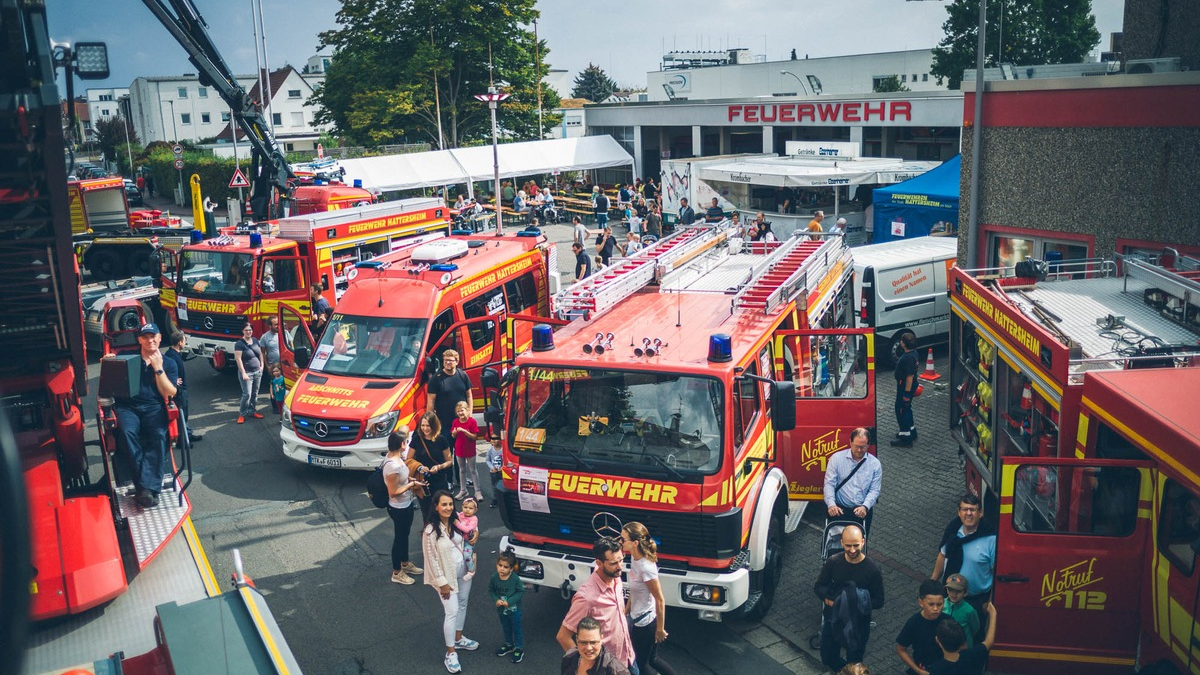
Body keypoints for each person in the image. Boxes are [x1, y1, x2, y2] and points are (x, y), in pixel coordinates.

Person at [113, 323, 178, 508]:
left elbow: (169, 393)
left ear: (159, 338)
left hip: (154, 406)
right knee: (126, 433)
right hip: (128, 406)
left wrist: (158, 368)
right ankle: (148, 488)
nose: (150, 340)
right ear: (140, 339)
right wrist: (108, 361)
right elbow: (111, 377)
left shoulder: (169, 362)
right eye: (146, 337)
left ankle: (145, 490)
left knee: (158, 435)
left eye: (153, 336)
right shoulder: (125, 357)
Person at [557, 538, 636, 675]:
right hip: (606, 669)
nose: (619, 567)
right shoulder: (586, 598)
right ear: (599, 563)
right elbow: (563, 636)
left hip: (628, 658)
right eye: (613, 563)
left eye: (621, 560)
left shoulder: (615, 578)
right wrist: (587, 664)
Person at [423, 490, 480, 674]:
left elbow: (470, 529)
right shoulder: (431, 530)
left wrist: (476, 533)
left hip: (462, 572)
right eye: (444, 504)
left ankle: (458, 638)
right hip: (446, 579)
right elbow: (430, 559)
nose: (448, 508)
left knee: (462, 604)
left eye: (450, 504)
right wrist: (441, 583)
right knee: (452, 611)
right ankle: (450, 653)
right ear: (436, 507)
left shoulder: (457, 522)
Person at [814, 525, 885, 672]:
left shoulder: (872, 569)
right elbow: (819, 586)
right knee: (827, 656)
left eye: (856, 545)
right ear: (841, 543)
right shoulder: (833, 562)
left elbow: (879, 600)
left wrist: (857, 602)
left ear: (863, 542)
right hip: (834, 618)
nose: (852, 550)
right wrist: (830, 601)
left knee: (854, 661)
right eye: (848, 545)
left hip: (858, 624)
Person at [931, 494, 996, 633]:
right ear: (958, 512)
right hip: (950, 596)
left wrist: (989, 602)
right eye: (964, 509)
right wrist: (932, 582)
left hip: (976, 600)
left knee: (974, 634)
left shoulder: (991, 539)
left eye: (973, 510)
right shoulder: (953, 530)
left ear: (980, 513)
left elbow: (996, 572)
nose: (968, 513)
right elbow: (943, 555)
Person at [621, 522, 676, 675]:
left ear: (635, 543)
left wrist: (660, 629)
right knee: (651, 659)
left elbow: (660, 599)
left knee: (641, 664)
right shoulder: (634, 559)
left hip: (646, 624)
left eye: (623, 539)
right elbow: (634, 590)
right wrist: (625, 612)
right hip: (636, 618)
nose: (620, 542)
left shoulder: (646, 568)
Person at [384, 428, 425, 585]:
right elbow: (393, 492)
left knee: (404, 535)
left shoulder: (397, 458)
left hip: (406, 504)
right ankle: (396, 572)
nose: (407, 444)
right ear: (402, 444)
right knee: (399, 538)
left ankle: (405, 563)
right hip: (398, 507)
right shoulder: (392, 466)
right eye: (406, 442)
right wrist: (412, 484)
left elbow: (403, 476)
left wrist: (412, 480)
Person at [823, 428, 882, 534]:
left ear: (868, 445)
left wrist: (865, 506)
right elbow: (829, 484)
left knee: (859, 546)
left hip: (861, 512)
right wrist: (831, 505)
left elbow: (874, 490)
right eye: (856, 446)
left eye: (863, 447)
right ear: (850, 442)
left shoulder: (875, 464)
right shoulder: (836, 459)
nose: (859, 450)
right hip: (839, 510)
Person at [895, 579, 951, 675]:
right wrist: (918, 670)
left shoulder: (948, 621)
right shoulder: (913, 623)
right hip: (923, 669)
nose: (935, 609)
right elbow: (901, 649)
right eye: (931, 604)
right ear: (921, 602)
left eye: (939, 604)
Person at [928, 604, 997, 675]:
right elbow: (989, 641)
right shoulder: (973, 654)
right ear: (962, 642)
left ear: (937, 640)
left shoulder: (936, 669)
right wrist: (993, 614)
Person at [428, 349, 472, 451]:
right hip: (444, 423)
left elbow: (469, 396)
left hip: (461, 421)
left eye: (451, 360)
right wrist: (430, 421)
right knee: (446, 452)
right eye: (445, 360)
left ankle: (459, 468)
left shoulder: (463, 375)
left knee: (462, 452)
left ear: (456, 362)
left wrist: (469, 415)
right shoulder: (436, 378)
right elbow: (431, 401)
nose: (447, 362)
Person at [412, 411, 454, 513]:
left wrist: (438, 467)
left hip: (439, 481)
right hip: (423, 482)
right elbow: (409, 459)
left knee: (442, 511)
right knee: (426, 512)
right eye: (423, 425)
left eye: (428, 426)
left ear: (434, 426)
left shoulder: (441, 440)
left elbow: (449, 461)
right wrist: (419, 467)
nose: (425, 428)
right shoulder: (417, 439)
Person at [490, 548, 526, 664]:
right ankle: (509, 644)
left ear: (511, 569)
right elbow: (492, 590)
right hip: (501, 610)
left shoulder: (514, 579)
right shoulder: (494, 578)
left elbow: (520, 591)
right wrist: (496, 599)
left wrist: (509, 601)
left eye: (505, 567)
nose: (502, 569)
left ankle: (519, 648)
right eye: (500, 565)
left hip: (514, 610)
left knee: (516, 628)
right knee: (506, 626)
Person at [164, 331, 201, 443]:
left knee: (185, 414)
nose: (185, 343)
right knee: (181, 415)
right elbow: (164, 370)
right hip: (178, 391)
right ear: (180, 342)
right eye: (184, 341)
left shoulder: (175, 354)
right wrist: (172, 380)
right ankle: (182, 440)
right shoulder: (171, 356)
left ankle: (187, 434)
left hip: (182, 390)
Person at [561, 617, 630, 675]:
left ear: (601, 639)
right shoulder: (569, 658)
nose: (588, 648)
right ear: (577, 640)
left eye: (593, 642)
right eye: (583, 642)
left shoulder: (615, 670)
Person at [891, 333, 920, 446]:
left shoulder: (907, 358)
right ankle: (911, 431)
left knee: (901, 409)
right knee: (907, 409)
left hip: (905, 387)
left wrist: (906, 394)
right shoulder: (914, 354)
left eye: (902, 341)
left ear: (904, 344)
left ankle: (905, 437)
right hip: (910, 386)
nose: (900, 343)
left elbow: (909, 377)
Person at [450, 401, 482, 501]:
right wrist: (454, 433)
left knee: (473, 469)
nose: (460, 413)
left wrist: (464, 431)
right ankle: (463, 490)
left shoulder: (472, 422)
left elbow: (474, 436)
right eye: (458, 411)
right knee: (462, 469)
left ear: (467, 411)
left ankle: (477, 491)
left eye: (462, 411)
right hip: (459, 448)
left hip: (470, 449)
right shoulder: (455, 422)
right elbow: (453, 435)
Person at [233, 322, 264, 424]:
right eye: (246, 330)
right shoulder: (239, 344)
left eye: (250, 330)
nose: (248, 332)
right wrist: (243, 373)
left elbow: (260, 354)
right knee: (247, 394)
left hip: (257, 371)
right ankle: (242, 414)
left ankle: (252, 411)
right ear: (242, 331)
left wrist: (262, 366)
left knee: (255, 394)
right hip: (247, 373)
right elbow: (238, 359)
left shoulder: (255, 340)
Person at [941, 574, 980, 649]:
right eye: (950, 590)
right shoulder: (941, 604)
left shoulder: (969, 610)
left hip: (963, 646)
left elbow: (975, 628)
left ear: (965, 593)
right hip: (945, 645)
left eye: (958, 591)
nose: (953, 594)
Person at [455, 497, 479, 580]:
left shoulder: (474, 519)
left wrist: (457, 523)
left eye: (470, 508)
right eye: (465, 507)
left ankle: (471, 570)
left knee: (466, 555)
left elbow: (467, 529)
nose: (467, 510)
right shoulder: (460, 515)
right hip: (459, 540)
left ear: (475, 510)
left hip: (468, 541)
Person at [486, 441, 502, 508]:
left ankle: (502, 499)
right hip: (493, 472)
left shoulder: (503, 450)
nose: (493, 440)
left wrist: (503, 467)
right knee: (494, 486)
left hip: (502, 472)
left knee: (502, 485)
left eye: (496, 439)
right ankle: (495, 499)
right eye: (492, 439)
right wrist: (492, 468)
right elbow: (487, 460)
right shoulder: (490, 450)